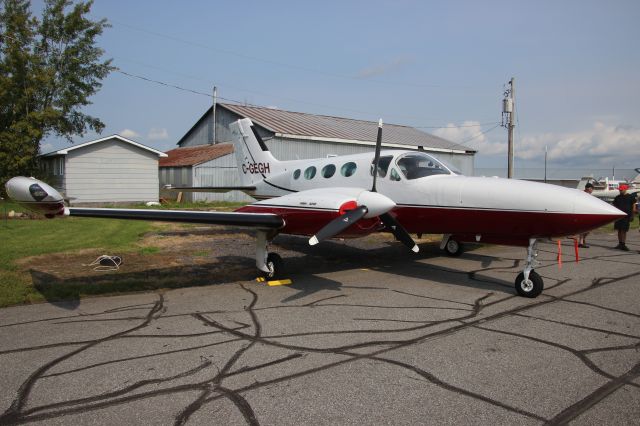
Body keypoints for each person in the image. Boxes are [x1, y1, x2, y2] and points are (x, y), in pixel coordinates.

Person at [612, 184, 638, 251]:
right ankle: (620, 243)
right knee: (619, 230)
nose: (620, 191)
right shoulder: (617, 197)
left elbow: (634, 205)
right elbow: (614, 206)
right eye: (619, 190)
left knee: (623, 230)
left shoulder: (630, 197)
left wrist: (633, 214)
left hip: (626, 216)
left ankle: (623, 244)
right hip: (618, 216)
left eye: (621, 190)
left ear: (625, 189)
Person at [578, 182, 595, 248]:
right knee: (583, 229)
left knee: (588, 230)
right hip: (582, 213)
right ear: (589, 188)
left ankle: (582, 241)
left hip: (588, 214)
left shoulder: (590, 195)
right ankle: (581, 242)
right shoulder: (582, 194)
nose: (592, 190)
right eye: (592, 189)